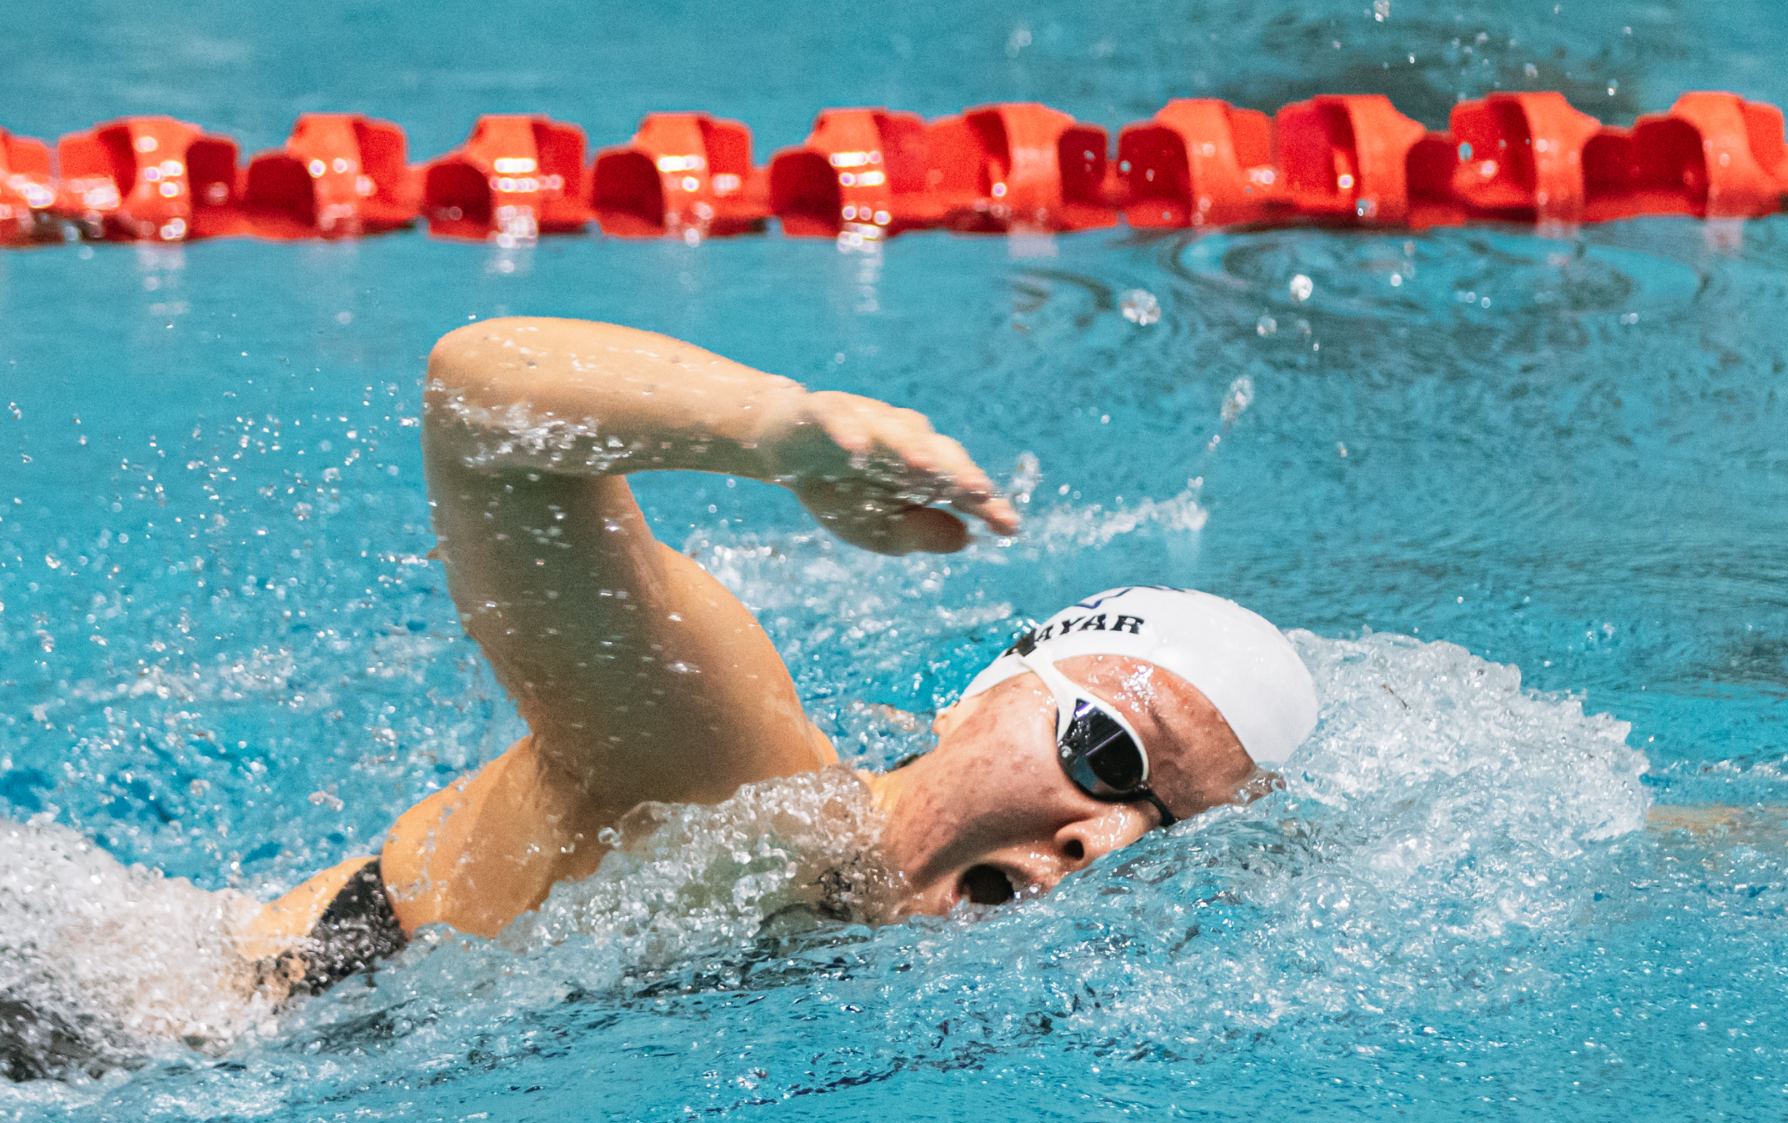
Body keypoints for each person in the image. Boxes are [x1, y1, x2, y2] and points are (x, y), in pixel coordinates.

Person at [230, 317, 1322, 994]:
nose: (1105, 839)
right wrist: (768, 427)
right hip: (146, 1038)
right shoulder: (734, 786)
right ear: (975, 699)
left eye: (1167, 836)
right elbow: (476, 399)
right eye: (1107, 753)